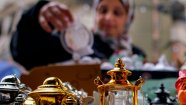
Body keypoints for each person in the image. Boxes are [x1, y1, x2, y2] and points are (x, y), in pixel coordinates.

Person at [10, 0, 146, 70]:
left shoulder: (136, 55)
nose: (108, 17)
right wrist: (36, 15)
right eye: (103, 10)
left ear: (128, 19)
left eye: (117, 13)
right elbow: (24, 52)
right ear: (95, 14)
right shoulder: (78, 44)